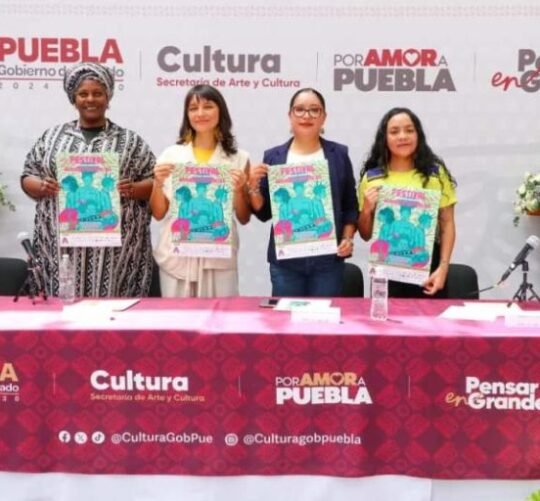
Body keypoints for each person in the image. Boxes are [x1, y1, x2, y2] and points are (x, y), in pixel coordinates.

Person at [21, 62, 155, 297]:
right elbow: (27, 175)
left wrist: (133, 188)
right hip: (61, 247)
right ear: (74, 99)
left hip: (116, 252)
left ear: (108, 97)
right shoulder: (52, 138)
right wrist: (41, 186)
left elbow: (155, 182)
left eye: (97, 93)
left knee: (114, 308)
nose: (90, 99)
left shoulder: (130, 141)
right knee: (63, 307)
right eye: (83, 94)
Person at [248, 88, 358, 297]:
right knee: (285, 316)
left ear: (324, 117)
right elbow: (263, 213)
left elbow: (350, 206)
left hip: (328, 261)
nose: (306, 116)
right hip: (286, 263)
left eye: (314, 110)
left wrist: (347, 238)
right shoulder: (273, 157)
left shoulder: (338, 155)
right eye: (299, 109)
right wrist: (252, 186)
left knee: (322, 316)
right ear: (290, 115)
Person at [150, 84, 251, 297]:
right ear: (187, 115)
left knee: (221, 315)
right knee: (177, 317)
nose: (200, 113)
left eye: (208, 106)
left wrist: (240, 190)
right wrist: (157, 183)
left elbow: (244, 217)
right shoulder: (171, 155)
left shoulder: (239, 158)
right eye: (193, 108)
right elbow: (158, 213)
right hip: (177, 256)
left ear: (221, 111)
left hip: (218, 256)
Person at [358, 107, 457, 297]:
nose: (402, 136)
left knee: (429, 316)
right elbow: (365, 234)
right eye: (394, 132)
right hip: (385, 268)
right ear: (384, 139)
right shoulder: (372, 178)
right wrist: (367, 210)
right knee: (385, 317)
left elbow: (447, 223)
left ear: (418, 135)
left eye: (409, 130)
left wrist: (443, 268)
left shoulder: (435, 174)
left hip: (427, 266)